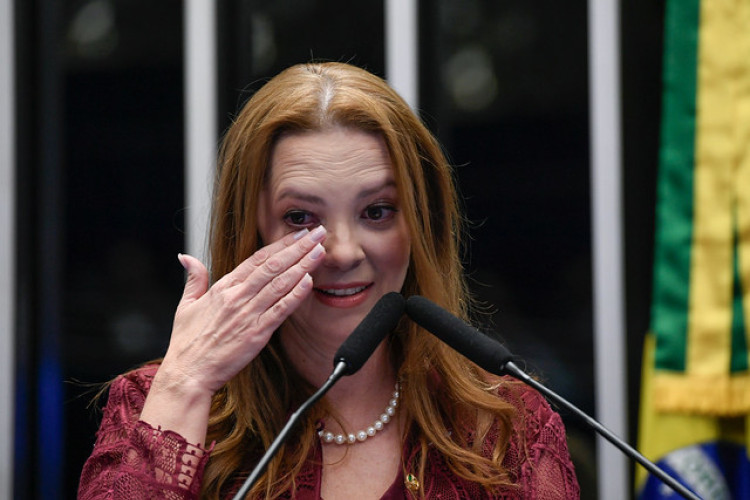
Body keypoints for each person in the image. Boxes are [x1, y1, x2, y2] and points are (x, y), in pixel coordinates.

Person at [78, 62, 580, 499]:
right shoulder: (156, 404)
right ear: (250, 233)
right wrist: (186, 384)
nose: (342, 252)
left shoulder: (508, 430)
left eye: (377, 211)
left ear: (420, 226)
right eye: (300, 218)